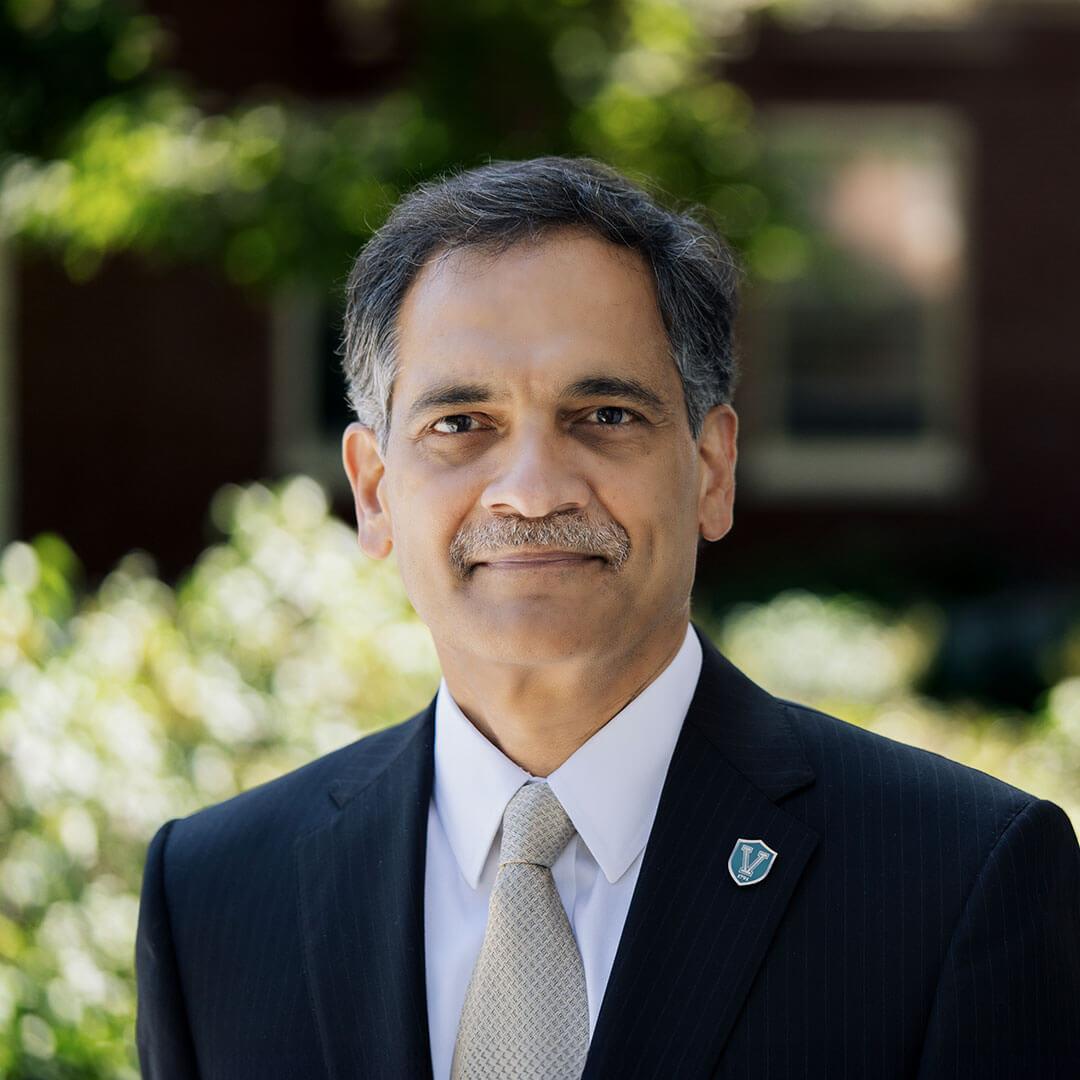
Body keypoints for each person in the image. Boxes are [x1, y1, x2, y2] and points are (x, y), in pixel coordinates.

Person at [135, 156, 1080, 1079]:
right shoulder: (213, 897)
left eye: (605, 414)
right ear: (375, 492)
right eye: (461, 425)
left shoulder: (958, 880)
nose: (532, 491)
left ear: (711, 468)